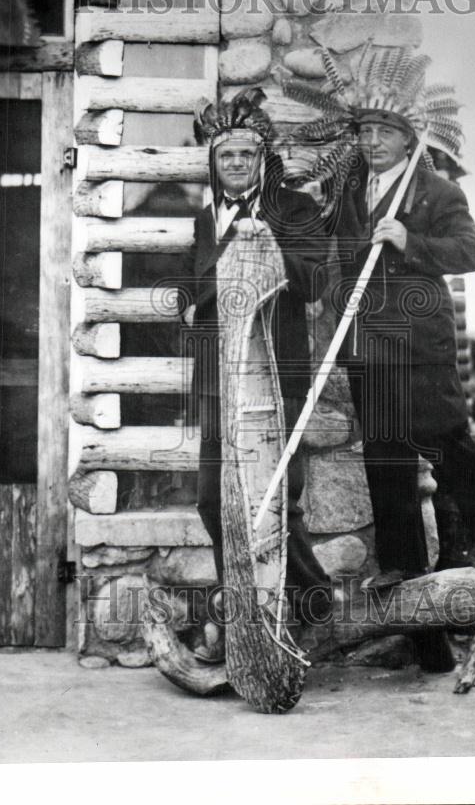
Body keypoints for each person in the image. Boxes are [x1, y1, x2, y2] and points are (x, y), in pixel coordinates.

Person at [281, 45, 475, 592]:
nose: (372, 143)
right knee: (385, 454)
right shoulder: (349, 195)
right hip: (367, 342)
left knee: (441, 437)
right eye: (364, 132)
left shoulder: (438, 192)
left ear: (409, 138)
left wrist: (411, 241)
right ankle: (403, 562)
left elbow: (471, 254)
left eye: (384, 132)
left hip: (419, 340)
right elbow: (337, 256)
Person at [184, 88, 333, 661]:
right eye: (227, 156)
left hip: (274, 376)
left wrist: (270, 249)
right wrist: (201, 288)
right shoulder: (206, 220)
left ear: (261, 158)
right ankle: (243, 604)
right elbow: (192, 289)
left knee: (276, 498)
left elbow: (316, 280)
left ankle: (306, 603)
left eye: (247, 155)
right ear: (213, 162)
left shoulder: (291, 210)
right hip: (219, 381)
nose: (237, 165)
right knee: (211, 499)